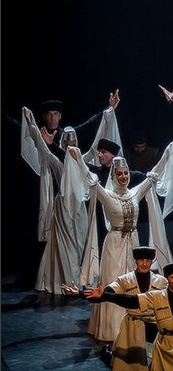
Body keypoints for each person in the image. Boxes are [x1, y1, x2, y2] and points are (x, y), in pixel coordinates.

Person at [69, 143, 173, 349]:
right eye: (119, 174)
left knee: (133, 285)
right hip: (114, 244)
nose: (123, 177)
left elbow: (153, 176)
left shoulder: (134, 193)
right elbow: (89, 179)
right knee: (114, 283)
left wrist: (167, 155)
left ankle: (133, 328)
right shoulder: (107, 195)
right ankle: (112, 329)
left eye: (125, 173)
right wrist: (78, 158)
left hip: (133, 244)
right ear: (113, 176)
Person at [20, 107, 111, 295]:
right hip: (63, 206)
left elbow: (96, 145)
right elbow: (42, 147)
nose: (70, 147)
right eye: (67, 144)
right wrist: (31, 123)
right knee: (66, 245)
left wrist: (108, 113)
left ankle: (81, 280)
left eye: (73, 143)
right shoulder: (56, 161)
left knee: (82, 244)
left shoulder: (82, 160)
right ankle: (69, 283)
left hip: (80, 206)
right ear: (62, 144)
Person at [70, 246, 168, 371]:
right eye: (141, 260)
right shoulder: (125, 279)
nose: (144, 264)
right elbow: (103, 295)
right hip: (134, 325)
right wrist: (80, 293)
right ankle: (106, 354)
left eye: (148, 260)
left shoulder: (161, 281)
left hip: (154, 324)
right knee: (127, 365)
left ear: (152, 261)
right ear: (136, 261)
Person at [33, 90, 120, 162]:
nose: (52, 117)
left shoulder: (68, 133)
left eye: (55, 114)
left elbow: (91, 123)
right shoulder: (39, 134)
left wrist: (110, 107)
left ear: (60, 116)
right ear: (45, 116)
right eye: (49, 114)